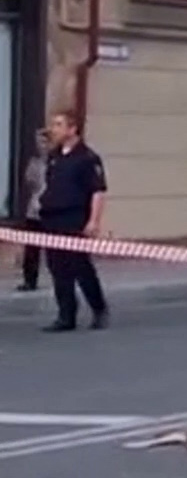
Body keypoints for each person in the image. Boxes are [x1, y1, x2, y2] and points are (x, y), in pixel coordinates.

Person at [38, 110, 109, 333]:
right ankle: (66, 315)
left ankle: (99, 309)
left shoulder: (87, 158)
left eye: (59, 125)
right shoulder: (54, 156)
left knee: (80, 266)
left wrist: (93, 221)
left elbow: (98, 191)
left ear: (72, 129)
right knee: (58, 269)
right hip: (52, 218)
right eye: (53, 124)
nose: (54, 129)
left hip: (74, 218)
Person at [17, 129, 47, 292]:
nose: (41, 146)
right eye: (38, 142)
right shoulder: (34, 162)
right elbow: (29, 183)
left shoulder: (58, 160)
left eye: (44, 142)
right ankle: (29, 280)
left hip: (52, 211)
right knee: (31, 249)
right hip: (34, 210)